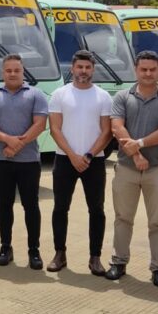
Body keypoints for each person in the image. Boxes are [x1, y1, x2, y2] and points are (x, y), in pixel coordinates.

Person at [106, 51, 158, 287]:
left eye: (152, 69)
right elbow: (117, 127)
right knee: (122, 218)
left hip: (157, 168)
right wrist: (137, 154)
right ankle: (119, 262)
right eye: (143, 69)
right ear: (136, 70)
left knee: (157, 221)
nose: (148, 74)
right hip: (127, 168)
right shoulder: (121, 97)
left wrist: (139, 143)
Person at [46, 50, 113, 275]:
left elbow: (107, 131)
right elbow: (55, 129)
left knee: (97, 210)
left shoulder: (103, 96)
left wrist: (89, 155)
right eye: (79, 67)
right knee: (60, 208)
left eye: (87, 67)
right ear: (72, 68)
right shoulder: (59, 94)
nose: (83, 71)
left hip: (93, 161)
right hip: (65, 159)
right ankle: (59, 253)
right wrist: (73, 156)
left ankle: (95, 257)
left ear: (93, 70)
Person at [0, 54, 48, 269]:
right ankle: (5, 247)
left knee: (31, 206)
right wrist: (6, 140)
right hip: (1, 160)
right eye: (8, 70)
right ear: (3, 72)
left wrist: (17, 145)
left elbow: (40, 124)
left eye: (16, 70)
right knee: (4, 205)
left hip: (28, 161)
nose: (12, 74)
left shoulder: (35, 94)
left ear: (22, 71)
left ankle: (34, 250)